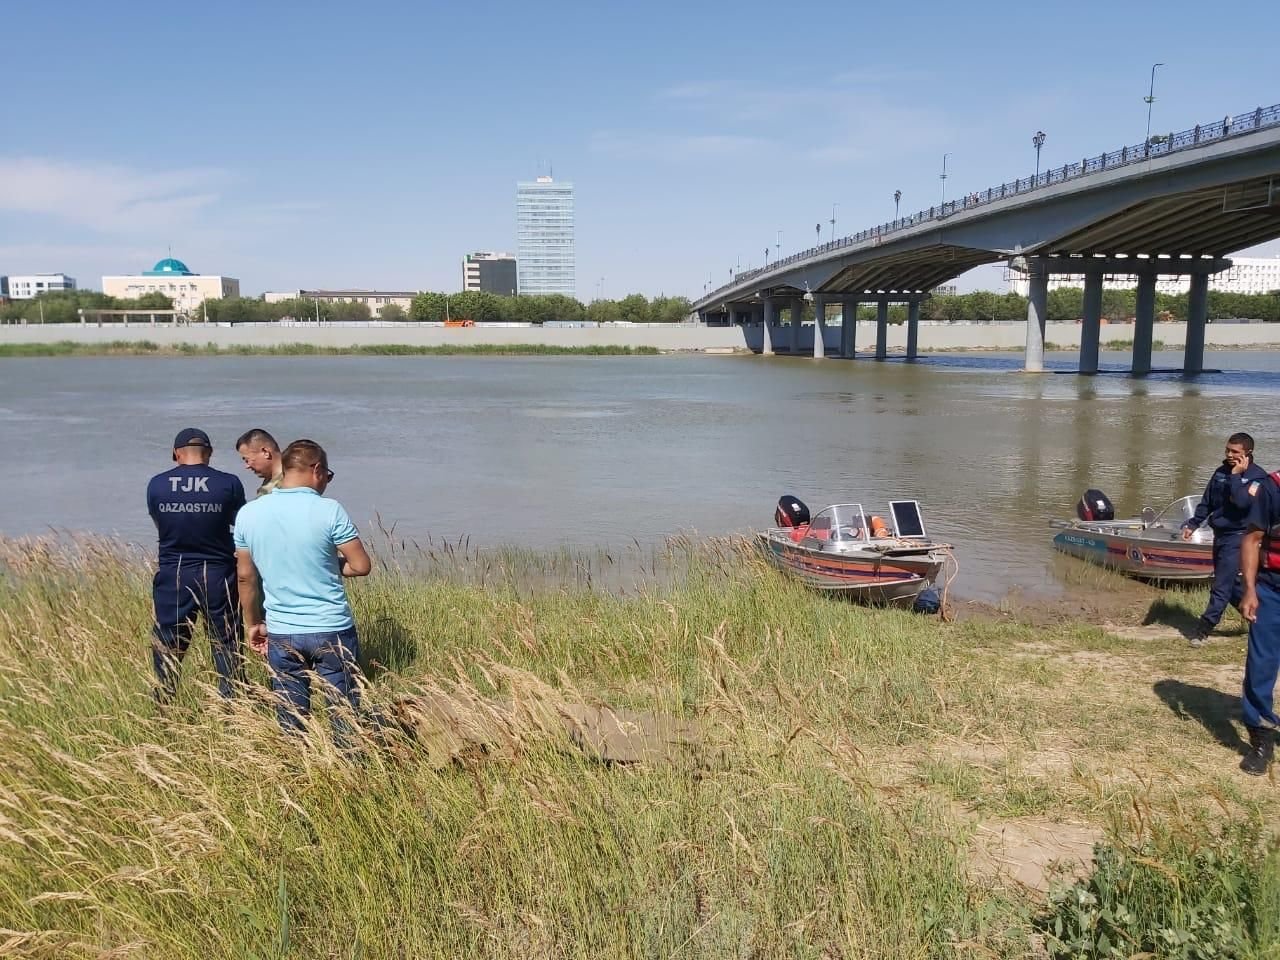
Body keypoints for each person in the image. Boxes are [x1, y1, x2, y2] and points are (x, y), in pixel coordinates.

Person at [234, 439, 372, 739]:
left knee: (291, 718)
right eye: (328, 476)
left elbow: (245, 577)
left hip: (282, 630)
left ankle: (298, 773)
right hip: (331, 627)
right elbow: (360, 565)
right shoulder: (330, 510)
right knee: (344, 713)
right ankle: (352, 774)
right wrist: (326, 564)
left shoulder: (248, 514)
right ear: (317, 470)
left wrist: (254, 624)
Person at [146, 427, 247, 702]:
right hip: (218, 573)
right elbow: (242, 529)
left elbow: (161, 525)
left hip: (174, 573)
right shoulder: (229, 483)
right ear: (210, 454)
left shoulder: (156, 484)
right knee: (227, 644)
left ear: (176, 454)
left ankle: (163, 707)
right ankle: (234, 708)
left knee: (168, 645)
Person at [1181, 432, 1268, 646]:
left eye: (1235, 452)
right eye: (1227, 450)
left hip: (1240, 537)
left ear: (1247, 453)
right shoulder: (1220, 473)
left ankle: (1203, 630)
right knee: (1230, 585)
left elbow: (1241, 503)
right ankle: (1262, 619)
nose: (1229, 454)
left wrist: (1237, 475)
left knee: (1221, 585)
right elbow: (1207, 501)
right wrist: (1193, 524)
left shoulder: (1258, 478)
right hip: (1220, 535)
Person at [1237, 467, 1280, 775]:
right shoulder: (1272, 488)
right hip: (1272, 586)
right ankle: (1261, 738)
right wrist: (1250, 590)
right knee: (1261, 663)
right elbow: (1252, 539)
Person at [236, 428, 284, 497]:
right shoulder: (270, 481)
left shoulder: (290, 483)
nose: (247, 466)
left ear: (265, 452)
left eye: (247, 460)